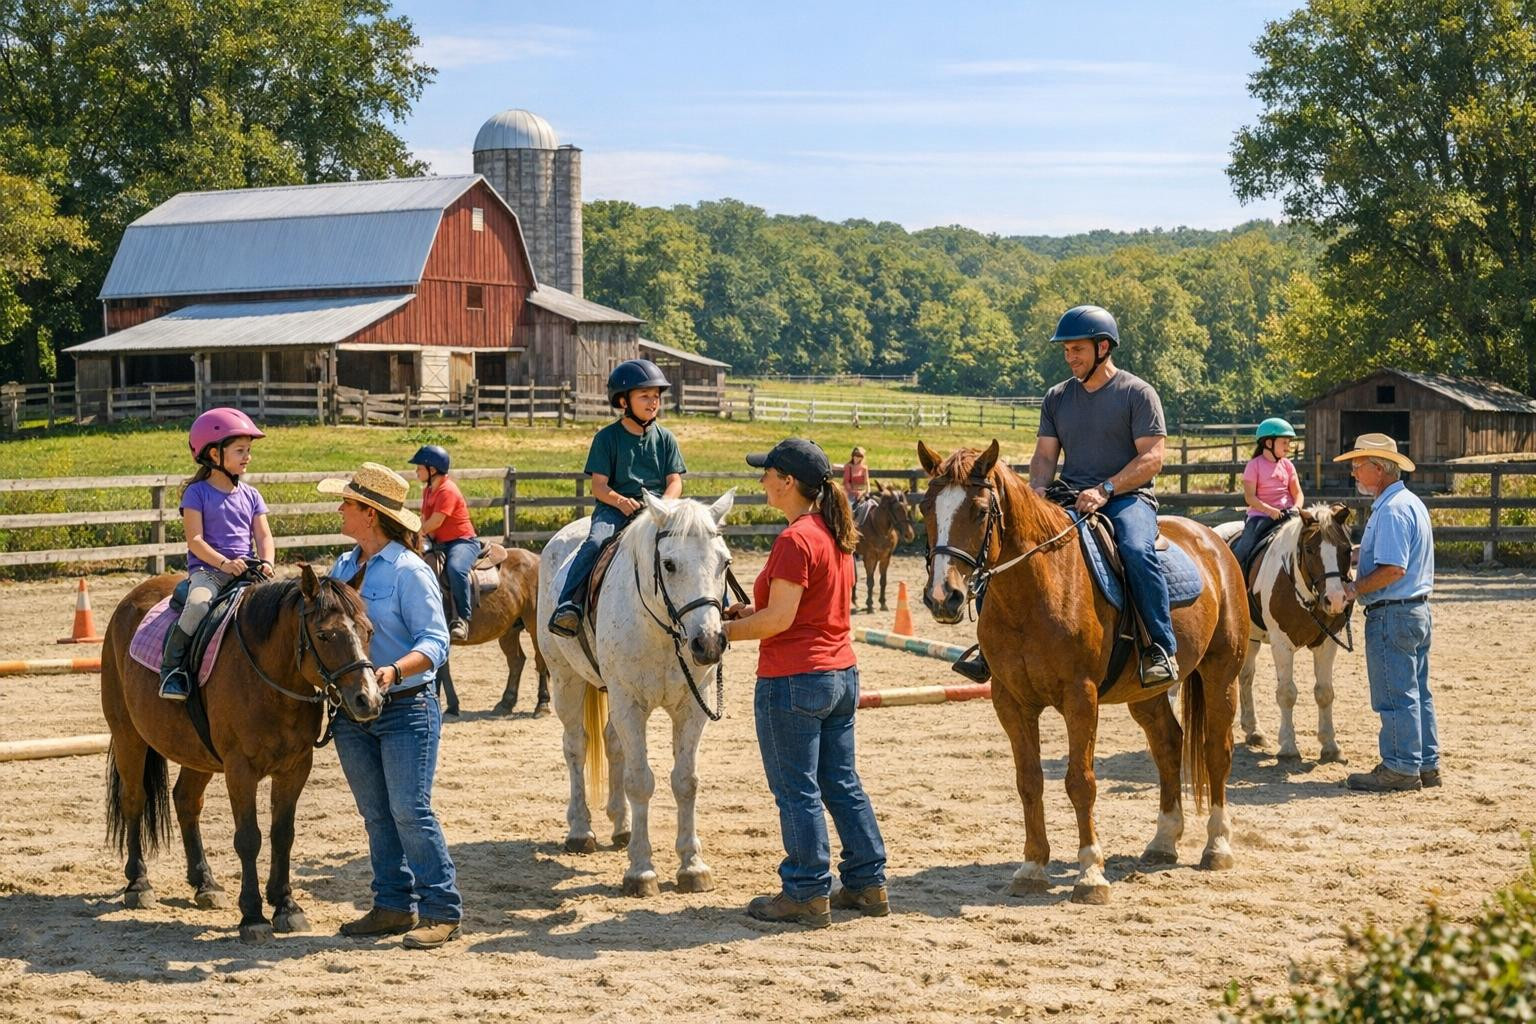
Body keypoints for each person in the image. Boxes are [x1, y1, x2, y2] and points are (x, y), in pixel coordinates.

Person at [952, 304, 1176, 687]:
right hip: (1068, 495)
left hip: (1126, 499)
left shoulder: (1137, 393)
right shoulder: (1056, 397)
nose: (1070, 357)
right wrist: (1037, 488)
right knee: (1008, 542)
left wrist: (1106, 489)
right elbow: (1044, 456)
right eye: (1066, 350)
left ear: (1103, 347)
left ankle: (1159, 646)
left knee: (1137, 550)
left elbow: (1152, 457)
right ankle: (988, 648)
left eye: (1078, 350)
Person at [724, 438, 888, 928]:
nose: (762, 481)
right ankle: (867, 883)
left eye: (768, 473)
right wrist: (749, 613)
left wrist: (722, 632)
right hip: (840, 673)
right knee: (841, 783)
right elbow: (800, 611)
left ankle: (807, 892)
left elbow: (780, 621)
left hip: (794, 678)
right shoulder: (833, 534)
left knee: (797, 790)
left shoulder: (795, 540)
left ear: (789, 482)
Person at [320, 462, 461, 948]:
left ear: (370, 514)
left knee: (409, 809)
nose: (340, 508)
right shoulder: (341, 567)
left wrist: (394, 671)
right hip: (352, 713)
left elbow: (436, 641)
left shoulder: (409, 570)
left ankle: (441, 909)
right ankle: (393, 905)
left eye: (348, 503)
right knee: (377, 813)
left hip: (405, 706)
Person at [548, 359, 686, 637]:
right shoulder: (607, 438)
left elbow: (675, 481)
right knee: (596, 541)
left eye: (656, 397)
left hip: (659, 509)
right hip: (615, 509)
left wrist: (666, 505)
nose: (652, 402)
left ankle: (721, 604)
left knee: (696, 539)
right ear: (624, 401)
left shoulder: (666, 438)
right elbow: (599, 486)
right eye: (644, 396)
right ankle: (569, 604)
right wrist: (621, 501)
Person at [1334, 434, 1438, 794]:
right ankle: (1425, 764)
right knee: (1417, 691)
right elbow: (1391, 555)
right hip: (1415, 610)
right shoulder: (1408, 503)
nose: (1353, 472)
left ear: (1378, 469)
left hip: (1392, 612)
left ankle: (1399, 767)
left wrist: (1353, 589)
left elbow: (1394, 567)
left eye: (1358, 465)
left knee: (1394, 694)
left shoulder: (1391, 511)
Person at [159, 407, 276, 700]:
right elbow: (195, 540)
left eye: (249, 450)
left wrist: (268, 562)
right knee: (198, 605)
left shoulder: (252, 495)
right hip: (209, 572)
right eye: (240, 450)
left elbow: (263, 535)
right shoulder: (196, 493)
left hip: (248, 570)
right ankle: (173, 668)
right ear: (214, 454)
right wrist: (224, 563)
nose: (247, 456)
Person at [409, 444, 477, 641]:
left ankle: (462, 619)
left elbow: (436, 521)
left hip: (462, 542)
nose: (416, 472)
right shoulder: (428, 491)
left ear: (432, 470)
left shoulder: (448, 491)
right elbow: (424, 520)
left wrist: (415, 532)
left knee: (456, 569)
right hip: (439, 542)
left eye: (419, 468)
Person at [1231, 417, 1306, 569]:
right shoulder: (1254, 466)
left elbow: (1298, 493)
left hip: (1288, 514)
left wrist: (1297, 508)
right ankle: (1233, 575)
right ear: (1269, 443)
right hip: (1260, 516)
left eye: (1289, 442)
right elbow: (1250, 497)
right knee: (1244, 548)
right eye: (1284, 442)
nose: (1288, 447)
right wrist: (1269, 511)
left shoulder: (1288, 465)